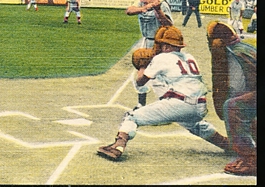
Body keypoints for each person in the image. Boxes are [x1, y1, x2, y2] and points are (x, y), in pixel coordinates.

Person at [97, 26, 230, 161]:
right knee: (195, 125)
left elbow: (141, 81)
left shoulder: (162, 58)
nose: (157, 48)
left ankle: (118, 146)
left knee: (131, 117)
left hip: (181, 104)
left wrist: (143, 66)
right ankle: (228, 144)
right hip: (200, 105)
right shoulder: (190, 57)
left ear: (166, 47)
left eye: (160, 45)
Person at [206, 21, 256, 176]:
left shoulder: (233, 52)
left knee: (233, 106)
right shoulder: (243, 47)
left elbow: (240, 87)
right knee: (242, 106)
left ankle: (250, 160)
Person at [126, 0, 173, 108]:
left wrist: (158, 11)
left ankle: (167, 105)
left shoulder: (163, 5)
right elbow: (129, 11)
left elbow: (170, 26)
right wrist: (144, 8)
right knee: (140, 75)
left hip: (160, 45)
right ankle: (141, 104)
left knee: (158, 77)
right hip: (146, 42)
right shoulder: (141, 4)